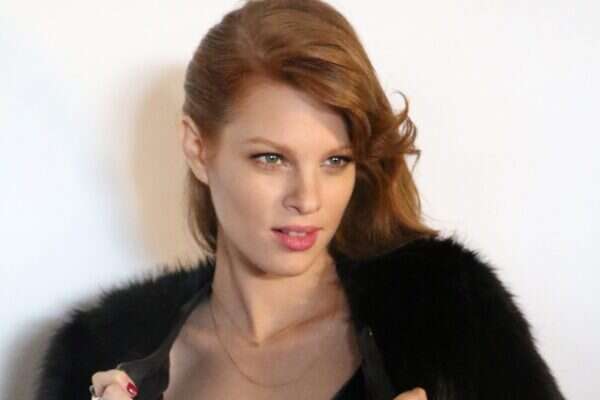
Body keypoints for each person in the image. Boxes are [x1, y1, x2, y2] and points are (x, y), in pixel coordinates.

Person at [34, 0, 566, 399]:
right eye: (271, 158)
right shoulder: (97, 359)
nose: (307, 199)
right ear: (198, 148)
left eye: (335, 161)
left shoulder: (449, 320)